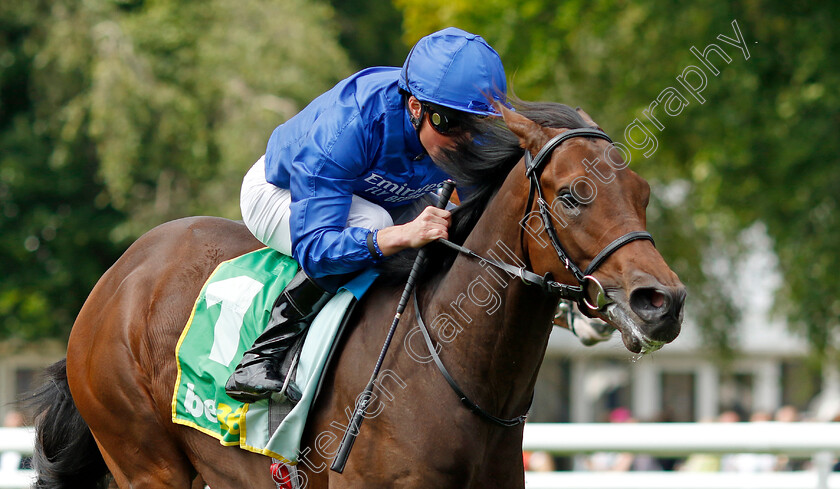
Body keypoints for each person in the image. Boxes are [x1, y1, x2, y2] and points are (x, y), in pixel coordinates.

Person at [225, 27, 508, 403]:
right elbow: (316, 249)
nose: (464, 140)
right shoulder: (349, 124)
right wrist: (401, 236)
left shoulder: (458, 121)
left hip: (377, 195)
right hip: (282, 191)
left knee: (459, 228)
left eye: (476, 125)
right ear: (414, 108)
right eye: (449, 125)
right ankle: (262, 355)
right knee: (376, 225)